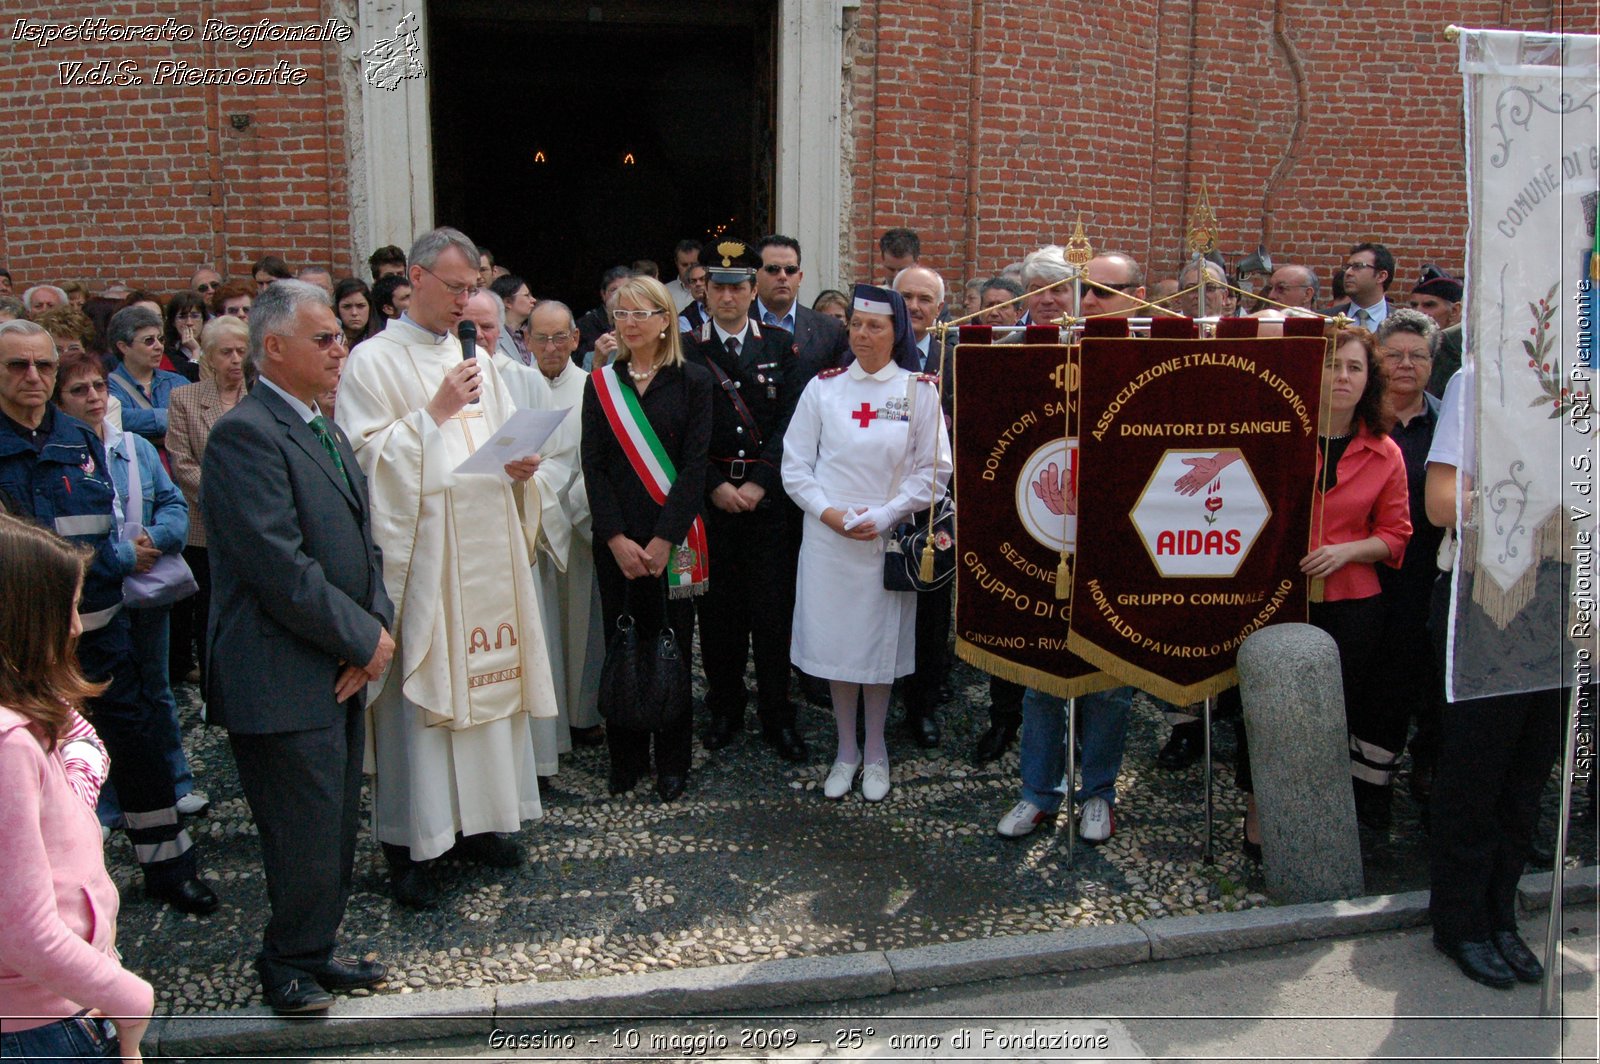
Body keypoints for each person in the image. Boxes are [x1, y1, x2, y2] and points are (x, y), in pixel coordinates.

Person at [338, 227, 559, 908]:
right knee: (422, 708)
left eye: (475, 287)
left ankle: (481, 824)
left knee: (491, 696)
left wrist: (520, 467)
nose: (468, 300)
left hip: (488, 549)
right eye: (457, 287)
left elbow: (494, 444)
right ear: (417, 278)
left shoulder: (484, 362)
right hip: (427, 563)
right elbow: (364, 463)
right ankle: (411, 842)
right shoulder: (372, 362)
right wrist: (433, 413)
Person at [203, 280, 395, 1014]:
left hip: (335, 663)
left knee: (334, 823)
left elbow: (362, 545)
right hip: (279, 673)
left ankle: (314, 948)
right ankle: (285, 964)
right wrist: (365, 640)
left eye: (338, 337)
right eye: (324, 338)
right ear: (273, 348)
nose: (339, 348)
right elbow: (279, 567)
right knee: (300, 832)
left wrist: (371, 631)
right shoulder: (246, 434)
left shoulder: (324, 426)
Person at [0, 319, 215, 914]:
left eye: (43, 365)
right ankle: (47, 890)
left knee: (139, 744)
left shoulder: (78, 438)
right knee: (32, 764)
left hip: (102, 627)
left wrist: (116, 559)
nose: (34, 378)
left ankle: (170, 867)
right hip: (22, 646)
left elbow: (107, 521)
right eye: (17, 366)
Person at [1424, 367, 1565, 990]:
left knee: (1528, 772)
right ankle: (1460, 921)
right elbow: (1441, 501)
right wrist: (1550, 509)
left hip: (1563, 603)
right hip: (1491, 598)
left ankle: (1501, 913)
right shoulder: (1481, 378)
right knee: (1477, 770)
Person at [782, 284, 950, 803]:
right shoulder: (823, 388)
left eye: (875, 326)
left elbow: (933, 472)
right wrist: (831, 514)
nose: (862, 334)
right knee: (837, 648)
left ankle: (876, 750)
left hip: (885, 537)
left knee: (876, 652)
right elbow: (795, 466)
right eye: (855, 324)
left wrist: (884, 514)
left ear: (897, 331)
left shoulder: (919, 390)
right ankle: (845, 750)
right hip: (830, 538)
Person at [0, 515, 154, 1063]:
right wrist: (130, 999)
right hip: (41, 1023)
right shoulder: (10, 747)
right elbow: (25, 932)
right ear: (24, 616)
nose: (75, 627)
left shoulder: (26, 718)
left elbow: (78, 733)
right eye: (66, 608)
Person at [51, 350, 204, 825]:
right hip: (94, 599)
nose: (94, 397)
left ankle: (174, 782)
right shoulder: (61, 458)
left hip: (145, 588)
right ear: (60, 402)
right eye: (79, 390)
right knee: (97, 698)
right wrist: (120, 556)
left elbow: (175, 507)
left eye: (98, 386)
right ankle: (103, 796)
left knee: (155, 689)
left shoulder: (134, 447)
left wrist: (153, 540)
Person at [683, 239, 816, 763]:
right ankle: (724, 707)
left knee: (772, 611)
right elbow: (683, 432)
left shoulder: (782, 347)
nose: (729, 296)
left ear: (752, 287)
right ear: (705, 291)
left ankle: (777, 712)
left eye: (738, 286)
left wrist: (761, 481)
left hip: (767, 501)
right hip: (713, 499)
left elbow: (791, 423)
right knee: (718, 614)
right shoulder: (687, 349)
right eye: (718, 287)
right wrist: (715, 484)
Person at [581, 276, 713, 802]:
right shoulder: (600, 385)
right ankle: (626, 756)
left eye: (641, 313)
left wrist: (662, 540)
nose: (629, 323)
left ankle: (673, 759)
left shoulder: (694, 382)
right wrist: (614, 536)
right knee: (624, 642)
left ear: (665, 320)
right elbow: (592, 465)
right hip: (617, 542)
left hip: (672, 540)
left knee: (672, 647)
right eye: (621, 314)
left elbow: (695, 467)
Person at [1372, 310, 1445, 814]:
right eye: (1394, 355)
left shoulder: (1449, 424)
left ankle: (1425, 770)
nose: (1405, 365)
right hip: (1366, 576)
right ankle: (1367, 785)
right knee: (1372, 682)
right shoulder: (1354, 418)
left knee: (1425, 683)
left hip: (1429, 575)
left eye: (1417, 356)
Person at [527, 300, 605, 747]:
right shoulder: (513, 387)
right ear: (528, 341)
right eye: (542, 338)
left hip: (578, 524)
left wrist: (571, 507)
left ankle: (583, 712)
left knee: (583, 624)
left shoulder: (595, 388)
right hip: (530, 529)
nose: (552, 347)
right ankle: (543, 723)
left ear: (577, 339)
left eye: (560, 337)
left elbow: (592, 461)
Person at [165, 316, 251, 691]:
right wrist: (228, 500)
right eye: (225, 352)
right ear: (209, 357)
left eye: (241, 351)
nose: (234, 359)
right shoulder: (184, 399)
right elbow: (183, 464)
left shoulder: (262, 395)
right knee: (211, 610)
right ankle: (215, 688)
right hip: (206, 525)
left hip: (255, 521)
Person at [105, 307, 186, 457]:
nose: (159, 346)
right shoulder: (107, 386)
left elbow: (197, 421)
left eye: (160, 339)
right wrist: (171, 417)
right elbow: (120, 419)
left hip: (179, 474)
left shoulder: (177, 381)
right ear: (123, 347)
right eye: (149, 341)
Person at [161, 292, 208, 382]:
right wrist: (195, 351)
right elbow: (188, 383)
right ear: (173, 322)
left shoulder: (212, 347)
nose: (189, 322)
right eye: (182, 317)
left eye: (195, 316)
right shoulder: (169, 352)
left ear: (203, 320)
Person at [333, 278, 376, 350]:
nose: (354, 313)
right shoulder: (329, 340)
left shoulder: (381, 338)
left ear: (370, 306)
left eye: (361, 306)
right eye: (347, 306)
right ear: (338, 308)